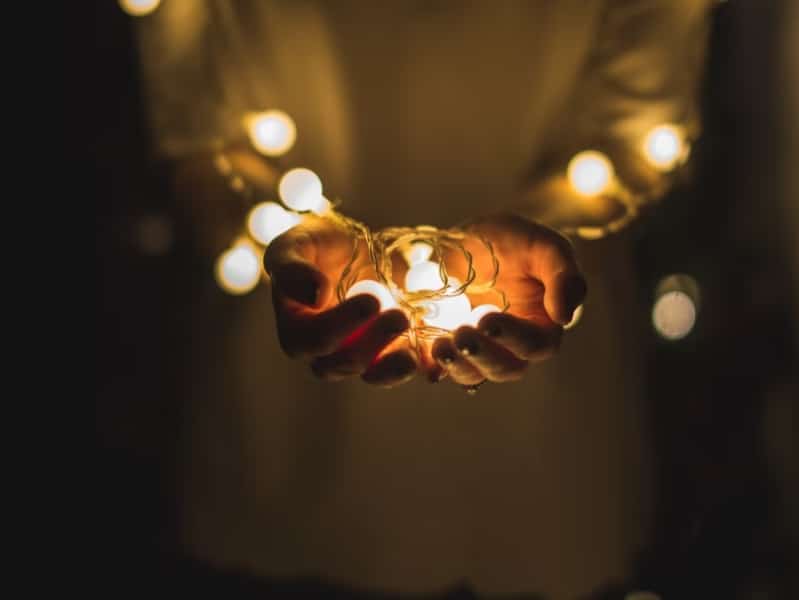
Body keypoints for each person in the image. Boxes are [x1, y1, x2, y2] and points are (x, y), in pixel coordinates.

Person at [134, 1, 713, 597]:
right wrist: (263, 226)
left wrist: (550, 225)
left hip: (542, 436)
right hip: (282, 420)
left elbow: (637, 133)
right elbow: (195, 134)